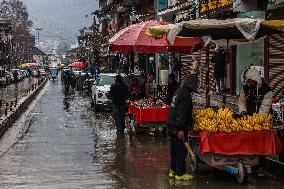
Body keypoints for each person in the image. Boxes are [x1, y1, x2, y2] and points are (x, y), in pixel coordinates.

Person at [238, 68, 273, 176]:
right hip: (249, 119)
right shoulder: (246, 89)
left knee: (261, 144)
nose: (248, 83)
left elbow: (265, 107)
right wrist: (243, 112)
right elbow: (242, 101)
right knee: (249, 143)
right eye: (247, 81)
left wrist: (257, 120)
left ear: (255, 79)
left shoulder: (266, 90)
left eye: (250, 81)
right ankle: (251, 165)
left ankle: (262, 167)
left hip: (262, 121)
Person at [167, 74, 198, 181]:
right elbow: (182, 113)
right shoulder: (186, 95)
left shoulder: (178, 91)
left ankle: (173, 170)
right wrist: (181, 129)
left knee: (174, 150)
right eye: (196, 85)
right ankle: (180, 173)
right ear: (192, 85)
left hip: (171, 125)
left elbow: (173, 109)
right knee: (181, 150)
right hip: (178, 127)